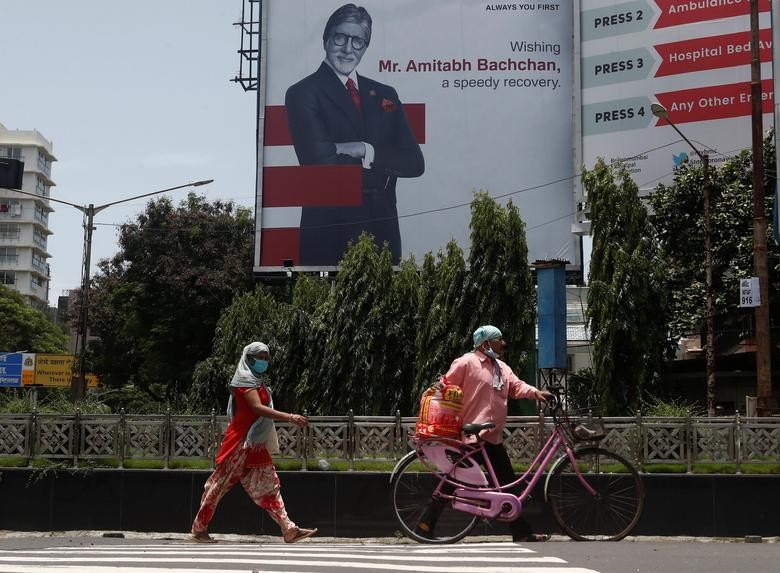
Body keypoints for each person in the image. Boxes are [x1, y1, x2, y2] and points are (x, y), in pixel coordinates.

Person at [285, 3, 424, 266]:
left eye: (358, 41)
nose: (348, 49)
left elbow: (415, 163)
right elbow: (320, 163)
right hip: (330, 236)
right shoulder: (303, 93)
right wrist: (383, 168)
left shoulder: (385, 93)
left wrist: (363, 149)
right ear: (326, 39)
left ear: (366, 46)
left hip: (383, 234)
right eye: (340, 37)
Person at [418, 325, 552, 543]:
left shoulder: (502, 368)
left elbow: (517, 387)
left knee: (507, 484)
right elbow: (445, 388)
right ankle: (424, 525)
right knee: (452, 482)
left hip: (492, 438)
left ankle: (521, 532)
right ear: (485, 343)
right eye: (499, 340)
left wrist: (537, 393)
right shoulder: (466, 363)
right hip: (471, 437)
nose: (503, 344)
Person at [190, 342, 317, 544]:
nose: (264, 361)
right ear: (249, 358)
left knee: (269, 484)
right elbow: (257, 408)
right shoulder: (244, 380)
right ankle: (199, 529)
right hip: (240, 442)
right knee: (218, 486)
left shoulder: (258, 381)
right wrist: (290, 417)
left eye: (266, 357)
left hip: (254, 443)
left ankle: (289, 529)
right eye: (260, 357)